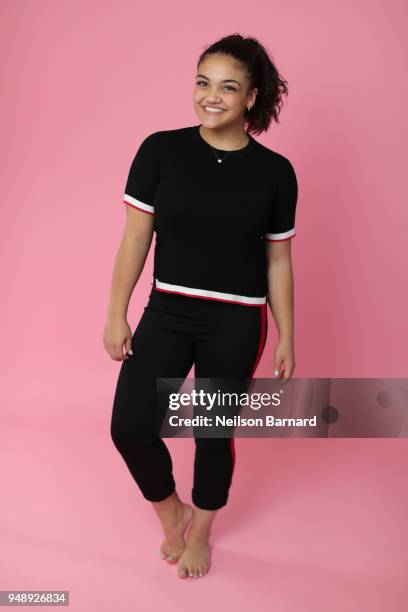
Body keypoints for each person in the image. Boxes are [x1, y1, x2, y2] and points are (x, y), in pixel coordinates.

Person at [103, 33, 298, 580]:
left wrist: (287, 334)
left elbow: (278, 262)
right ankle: (172, 514)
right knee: (130, 426)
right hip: (168, 310)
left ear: (252, 97)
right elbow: (135, 239)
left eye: (228, 87)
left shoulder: (275, 173)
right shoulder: (160, 150)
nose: (211, 96)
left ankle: (202, 532)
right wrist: (116, 311)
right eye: (202, 82)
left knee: (214, 432)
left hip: (237, 319)